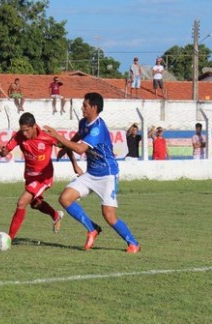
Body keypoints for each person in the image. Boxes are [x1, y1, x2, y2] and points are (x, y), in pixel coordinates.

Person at [44, 92, 140, 253]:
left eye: (85, 105)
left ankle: (133, 243)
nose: (82, 108)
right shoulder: (84, 122)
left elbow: (81, 148)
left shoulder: (98, 128)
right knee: (65, 198)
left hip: (108, 174)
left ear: (94, 108)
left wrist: (58, 136)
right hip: (91, 174)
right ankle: (92, 229)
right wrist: (68, 155)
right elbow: (75, 139)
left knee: (109, 215)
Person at [0, 112, 79, 242]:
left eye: (27, 130)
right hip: (30, 176)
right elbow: (5, 151)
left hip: (43, 177)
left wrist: (75, 166)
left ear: (34, 126)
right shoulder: (19, 136)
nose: (24, 134)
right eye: (22, 130)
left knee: (22, 202)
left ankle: (8, 239)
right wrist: (1, 151)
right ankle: (55, 215)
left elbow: (66, 146)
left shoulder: (47, 137)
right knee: (35, 204)